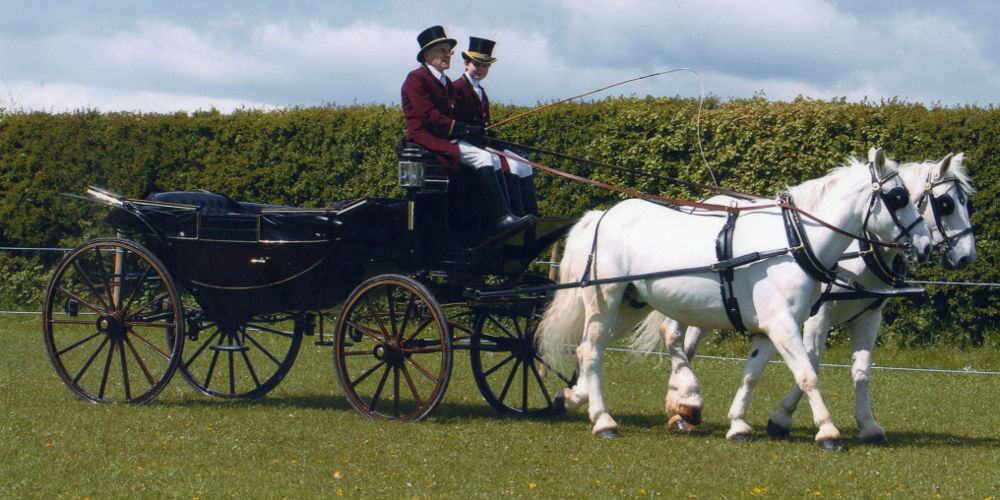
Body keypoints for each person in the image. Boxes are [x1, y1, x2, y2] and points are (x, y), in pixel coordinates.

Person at [400, 26, 524, 231]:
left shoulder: (445, 81)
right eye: (442, 51)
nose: (447, 55)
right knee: (483, 158)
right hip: (425, 139)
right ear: (427, 54)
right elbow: (428, 117)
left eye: (449, 51)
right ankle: (501, 218)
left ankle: (509, 213)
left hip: (446, 138)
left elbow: (452, 115)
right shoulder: (416, 78)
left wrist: (473, 132)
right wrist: (465, 130)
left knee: (493, 158)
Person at [451, 37, 539, 217]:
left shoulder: (481, 92)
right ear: (466, 63)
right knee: (512, 165)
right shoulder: (457, 88)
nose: (481, 70)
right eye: (477, 65)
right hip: (467, 142)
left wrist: (504, 146)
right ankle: (514, 215)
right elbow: (455, 123)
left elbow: (487, 127)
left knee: (525, 165)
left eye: (485, 67)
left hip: (482, 142)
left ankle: (532, 215)